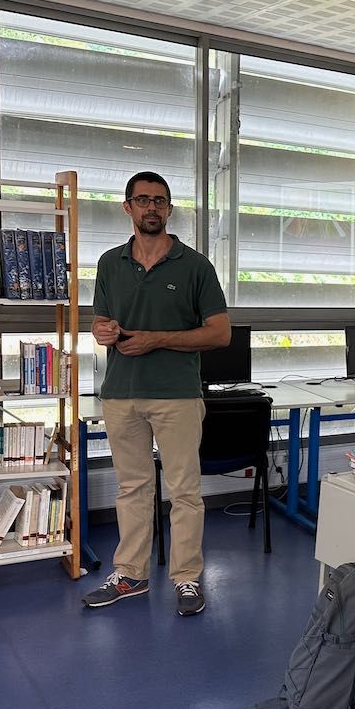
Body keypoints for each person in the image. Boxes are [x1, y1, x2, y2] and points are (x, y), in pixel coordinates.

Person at [83, 171, 231, 617]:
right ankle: (130, 574)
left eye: (160, 201)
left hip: (176, 395)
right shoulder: (109, 263)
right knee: (132, 488)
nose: (152, 207)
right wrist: (102, 330)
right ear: (127, 207)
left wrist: (156, 339)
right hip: (121, 393)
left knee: (184, 491)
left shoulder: (195, 266)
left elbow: (219, 333)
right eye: (143, 199)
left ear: (169, 209)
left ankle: (187, 577)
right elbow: (99, 320)